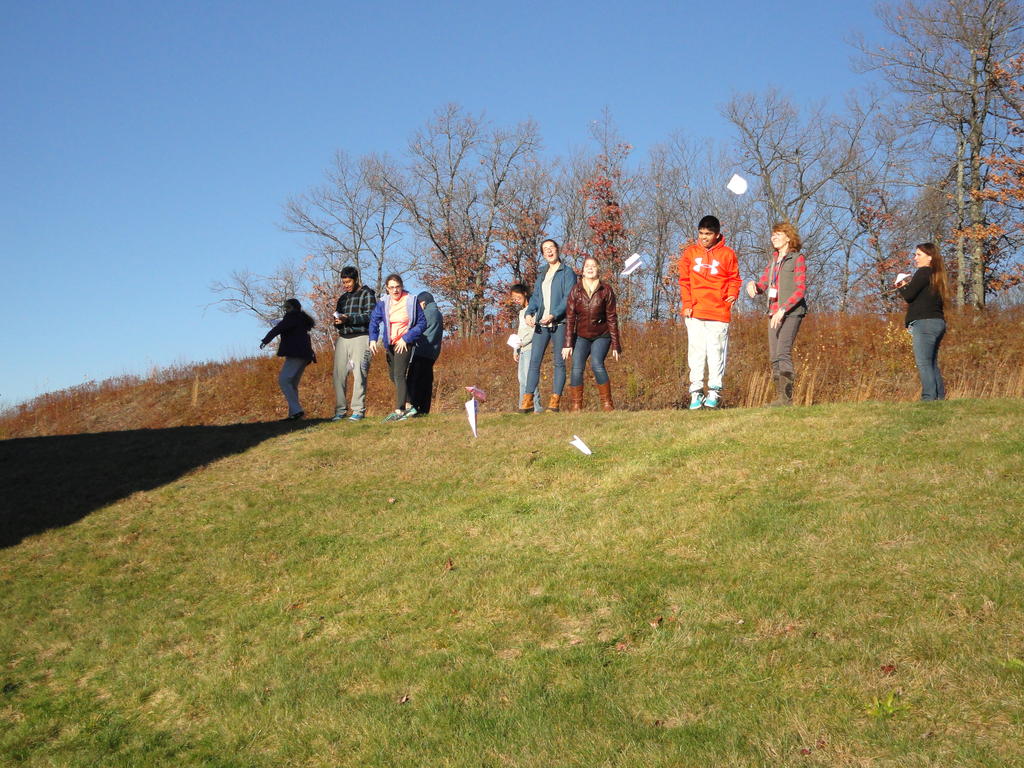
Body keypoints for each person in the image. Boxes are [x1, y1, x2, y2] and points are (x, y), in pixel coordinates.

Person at [678, 215, 741, 409]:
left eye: (708, 233)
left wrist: (732, 293)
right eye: (701, 233)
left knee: (716, 351)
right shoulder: (690, 253)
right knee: (696, 352)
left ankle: (714, 391)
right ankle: (696, 391)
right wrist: (687, 303)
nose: (704, 237)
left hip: (718, 312)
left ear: (717, 235)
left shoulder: (728, 254)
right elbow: (684, 280)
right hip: (695, 311)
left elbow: (734, 278)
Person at [746, 221, 808, 407]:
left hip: (792, 312)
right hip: (773, 313)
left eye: (778, 234)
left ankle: (786, 399)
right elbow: (763, 285)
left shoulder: (797, 258)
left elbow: (800, 289)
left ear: (788, 238)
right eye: (773, 235)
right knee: (774, 356)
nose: (774, 237)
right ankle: (779, 398)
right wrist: (752, 285)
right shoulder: (773, 260)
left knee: (783, 352)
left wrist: (783, 309)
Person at [522, 239, 577, 413]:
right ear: (543, 254)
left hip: (559, 324)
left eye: (551, 247)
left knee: (559, 363)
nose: (549, 251)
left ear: (557, 250)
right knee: (534, 362)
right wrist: (529, 313)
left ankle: (554, 402)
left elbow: (569, 297)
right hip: (541, 325)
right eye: (545, 249)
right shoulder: (542, 273)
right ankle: (527, 401)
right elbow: (536, 297)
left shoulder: (567, 272)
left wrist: (554, 314)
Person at [562, 256, 622, 411]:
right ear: (583, 270)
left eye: (593, 266)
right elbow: (570, 318)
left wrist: (616, 345)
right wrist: (568, 343)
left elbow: (612, 318)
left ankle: (607, 404)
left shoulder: (606, 290)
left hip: (601, 335)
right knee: (576, 367)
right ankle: (576, 405)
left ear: (598, 269)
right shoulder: (575, 290)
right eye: (587, 266)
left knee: (597, 364)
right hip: (581, 336)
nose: (590, 268)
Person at [369, 274, 426, 422]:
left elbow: (422, 323)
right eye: (392, 287)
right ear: (387, 289)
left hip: (404, 343)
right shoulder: (383, 302)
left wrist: (406, 338)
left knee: (399, 374)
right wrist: (373, 339)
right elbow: (374, 320)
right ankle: (410, 405)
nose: (395, 290)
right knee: (393, 376)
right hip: (390, 343)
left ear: (402, 286)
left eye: (397, 287)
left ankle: (399, 410)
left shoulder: (411, 300)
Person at [896, 242, 949, 401]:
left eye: (919, 254)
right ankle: (938, 398)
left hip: (924, 323)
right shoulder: (937, 276)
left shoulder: (924, 272)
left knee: (924, 363)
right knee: (931, 363)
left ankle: (928, 398)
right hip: (937, 323)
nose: (915, 258)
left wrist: (901, 285)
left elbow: (909, 295)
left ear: (930, 257)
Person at [331, 266, 376, 422]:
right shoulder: (343, 298)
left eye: (348, 282)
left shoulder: (367, 294)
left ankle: (358, 410)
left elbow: (370, 316)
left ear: (356, 279)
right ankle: (340, 410)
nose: (346, 285)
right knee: (338, 375)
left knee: (359, 374)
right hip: (343, 338)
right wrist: (337, 321)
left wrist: (348, 318)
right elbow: (338, 317)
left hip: (361, 337)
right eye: (344, 282)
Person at [260, 298, 316, 420]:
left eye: (287, 307)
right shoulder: (300, 318)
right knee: (292, 384)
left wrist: (265, 340)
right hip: (305, 355)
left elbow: (277, 329)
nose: (286, 309)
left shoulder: (292, 318)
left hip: (296, 354)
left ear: (294, 308)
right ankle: (294, 415)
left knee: (284, 381)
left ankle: (297, 411)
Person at [406, 291, 444, 416]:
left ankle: (414, 408)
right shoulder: (437, 313)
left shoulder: (428, 313)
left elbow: (416, 328)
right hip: (432, 353)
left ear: (423, 303)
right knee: (426, 381)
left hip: (422, 351)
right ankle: (423, 409)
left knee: (414, 380)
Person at [510, 284, 542, 413]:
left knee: (530, 378)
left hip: (531, 347)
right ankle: (523, 406)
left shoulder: (533, 309)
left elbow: (534, 330)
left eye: (517, 297)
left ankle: (537, 407)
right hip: (521, 349)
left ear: (524, 293)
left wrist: (524, 342)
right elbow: (520, 332)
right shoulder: (521, 312)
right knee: (521, 379)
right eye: (513, 298)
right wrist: (516, 349)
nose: (516, 300)